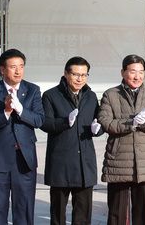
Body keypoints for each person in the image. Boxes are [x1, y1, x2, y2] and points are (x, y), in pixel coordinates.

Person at [97, 54, 145, 225]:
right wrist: (130, 123)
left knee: (142, 212)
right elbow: (105, 122)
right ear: (123, 72)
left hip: (144, 161)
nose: (137, 76)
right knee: (116, 213)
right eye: (133, 71)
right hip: (118, 161)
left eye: (141, 72)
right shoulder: (111, 95)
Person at [0, 48, 45, 225]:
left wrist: (21, 110)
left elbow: (39, 119)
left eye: (21, 66)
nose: (18, 71)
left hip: (24, 160)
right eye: (13, 67)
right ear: (2, 69)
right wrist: (7, 112)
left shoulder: (32, 90)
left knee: (24, 209)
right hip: (0, 159)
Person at [41, 56, 103, 225]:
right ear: (66, 74)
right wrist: (64, 122)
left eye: (84, 75)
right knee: (58, 214)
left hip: (84, 163)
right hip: (61, 163)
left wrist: (98, 130)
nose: (79, 78)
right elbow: (44, 123)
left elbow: (98, 121)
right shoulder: (51, 95)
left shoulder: (90, 96)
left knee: (83, 215)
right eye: (75, 74)